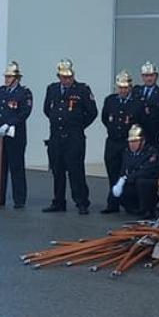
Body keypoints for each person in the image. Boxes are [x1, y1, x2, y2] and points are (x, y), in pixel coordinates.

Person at [42, 59, 97, 214]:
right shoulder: (52, 89)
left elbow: (92, 112)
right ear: (58, 76)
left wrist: (78, 125)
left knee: (76, 171)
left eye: (69, 77)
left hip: (74, 138)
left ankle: (82, 202)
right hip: (56, 137)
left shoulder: (82, 90)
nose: (66, 80)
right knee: (57, 171)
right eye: (63, 77)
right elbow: (47, 109)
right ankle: (58, 202)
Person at [0, 61, 33, 209]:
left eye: (10, 76)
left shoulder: (24, 93)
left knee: (16, 167)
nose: (6, 79)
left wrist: (9, 124)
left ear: (17, 78)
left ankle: (19, 199)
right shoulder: (0, 91)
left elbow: (24, 112)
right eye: (6, 76)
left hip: (14, 136)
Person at [100, 71, 144, 214]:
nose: (123, 90)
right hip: (113, 142)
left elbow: (141, 122)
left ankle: (129, 203)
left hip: (128, 143)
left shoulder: (137, 103)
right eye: (120, 87)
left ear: (130, 87)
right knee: (112, 172)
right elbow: (105, 118)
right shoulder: (110, 100)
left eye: (125, 87)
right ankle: (113, 203)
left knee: (127, 173)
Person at [110, 124, 159, 218]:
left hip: (148, 184)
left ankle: (147, 210)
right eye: (130, 141)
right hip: (133, 181)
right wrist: (121, 180)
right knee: (118, 186)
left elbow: (145, 171)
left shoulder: (151, 152)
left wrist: (126, 178)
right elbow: (123, 170)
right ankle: (132, 207)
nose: (132, 144)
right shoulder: (127, 153)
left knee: (142, 182)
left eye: (135, 141)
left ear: (143, 141)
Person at [133, 61, 159, 163]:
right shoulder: (136, 91)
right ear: (142, 77)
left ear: (156, 76)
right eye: (146, 76)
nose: (149, 78)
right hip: (138, 135)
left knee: (153, 163)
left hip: (155, 135)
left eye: (151, 75)